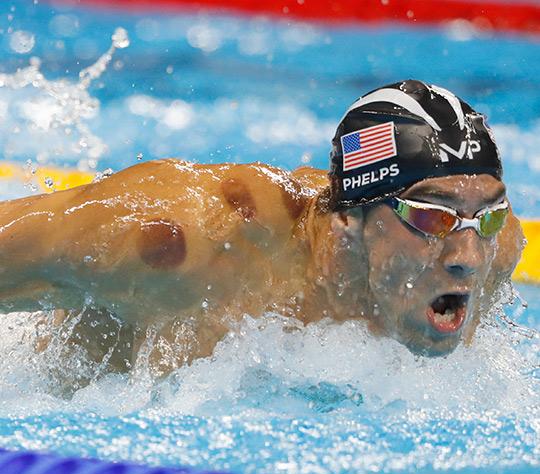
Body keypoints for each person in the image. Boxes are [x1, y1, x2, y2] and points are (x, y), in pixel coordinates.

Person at [0, 80, 524, 374]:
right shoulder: (184, 241)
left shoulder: (496, 247)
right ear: (348, 219)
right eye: (433, 217)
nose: (467, 256)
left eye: (489, 214)